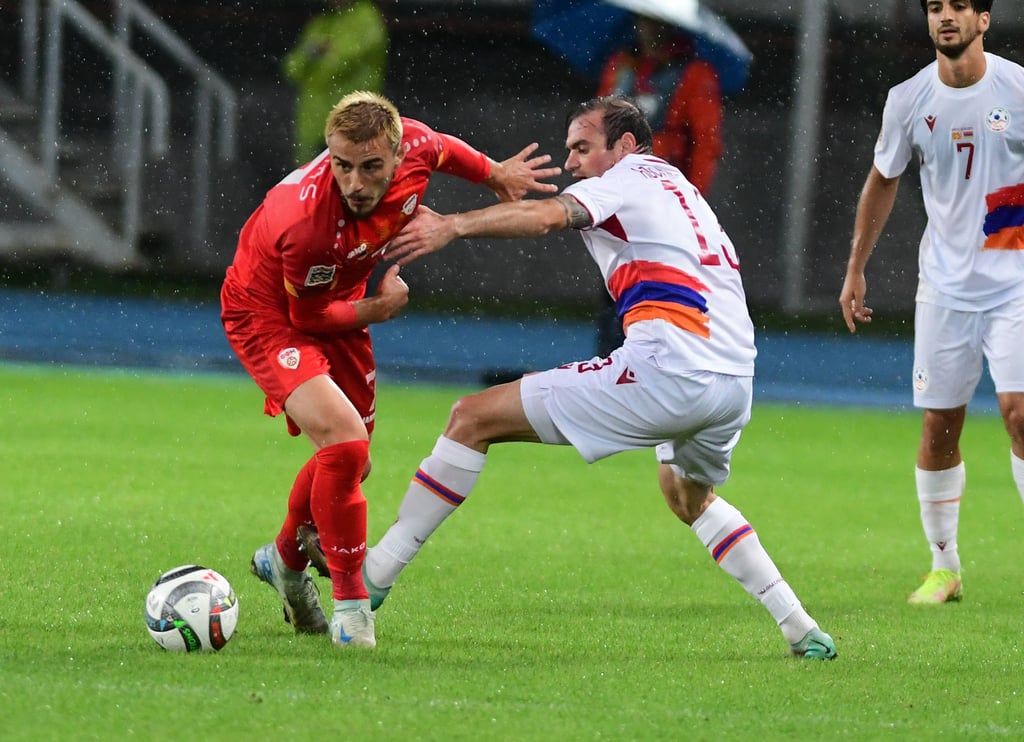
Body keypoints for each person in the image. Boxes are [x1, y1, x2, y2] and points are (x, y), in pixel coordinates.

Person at [310, 95, 836, 659]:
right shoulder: (681, 190)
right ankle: (801, 628)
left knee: (471, 418)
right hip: (734, 379)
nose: (573, 163)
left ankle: (373, 578)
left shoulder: (627, 178)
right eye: (568, 151)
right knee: (687, 495)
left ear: (627, 145)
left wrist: (452, 226)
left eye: (583, 148)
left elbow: (546, 216)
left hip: (670, 367)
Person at [220, 90, 560, 649]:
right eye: (342, 166)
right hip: (271, 315)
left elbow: (445, 148)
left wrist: (494, 173)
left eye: (370, 166)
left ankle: (283, 559)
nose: (354, 183)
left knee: (352, 461)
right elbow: (308, 314)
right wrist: (381, 309)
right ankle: (352, 609)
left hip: (343, 301)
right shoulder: (303, 222)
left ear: (398, 157)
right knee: (347, 443)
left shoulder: (417, 145)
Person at [839, 0, 1024, 605]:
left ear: (985, 20)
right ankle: (944, 567)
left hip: (1015, 284)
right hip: (944, 288)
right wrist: (856, 268)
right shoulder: (908, 99)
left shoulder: (1017, 89)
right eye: (936, 7)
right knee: (941, 425)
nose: (946, 16)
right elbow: (883, 178)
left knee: (1020, 413)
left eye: (959, 6)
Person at [594, 14, 723, 356]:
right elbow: (594, 132)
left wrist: (690, 203)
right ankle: (613, 374)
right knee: (615, 295)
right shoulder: (620, 67)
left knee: (657, 299)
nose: (647, 29)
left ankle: (652, 373)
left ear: (671, 26)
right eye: (643, 21)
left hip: (663, 209)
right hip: (616, 206)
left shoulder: (694, 75)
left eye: (655, 22)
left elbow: (706, 145)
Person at [282, 0, 388, 164]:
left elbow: (343, 62)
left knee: (350, 184)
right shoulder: (321, 23)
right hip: (312, 126)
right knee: (310, 187)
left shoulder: (366, 18)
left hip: (352, 126)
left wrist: (313, 63)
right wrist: (315, 55)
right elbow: (291, 69)